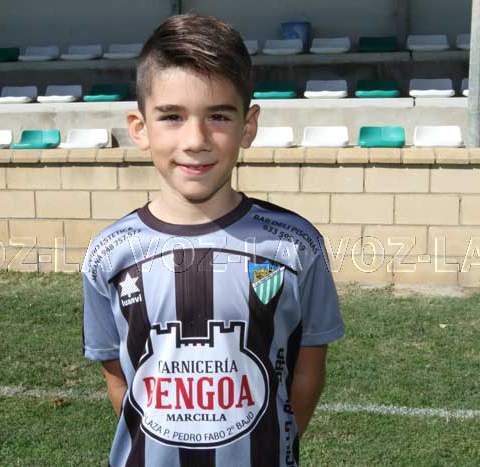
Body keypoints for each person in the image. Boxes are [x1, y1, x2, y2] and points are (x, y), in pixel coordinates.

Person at [81, 13, 345, 467]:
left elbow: (307, 371)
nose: (196, 140)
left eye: (218, 116)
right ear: (139, 128)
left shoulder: (294, 245)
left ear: (248, 125)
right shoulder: (111, 251)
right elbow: (118, 378)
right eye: (172, 117)